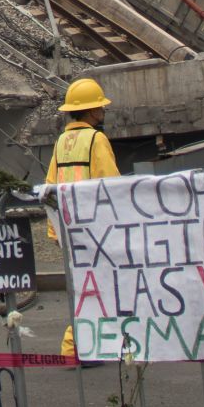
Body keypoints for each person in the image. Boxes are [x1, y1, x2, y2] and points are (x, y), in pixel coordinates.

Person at [44, 77, 119, 358]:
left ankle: (88, 344)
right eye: (100, 107)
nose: (103, 111)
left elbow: (50, 184)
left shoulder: (62, 141)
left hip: (67, 228)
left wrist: (54, 231)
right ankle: (75, 346)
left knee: (84, 286)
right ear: (91, 111)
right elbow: (110, 184)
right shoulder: (96, 140)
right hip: (93, 229)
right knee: (97, 287)